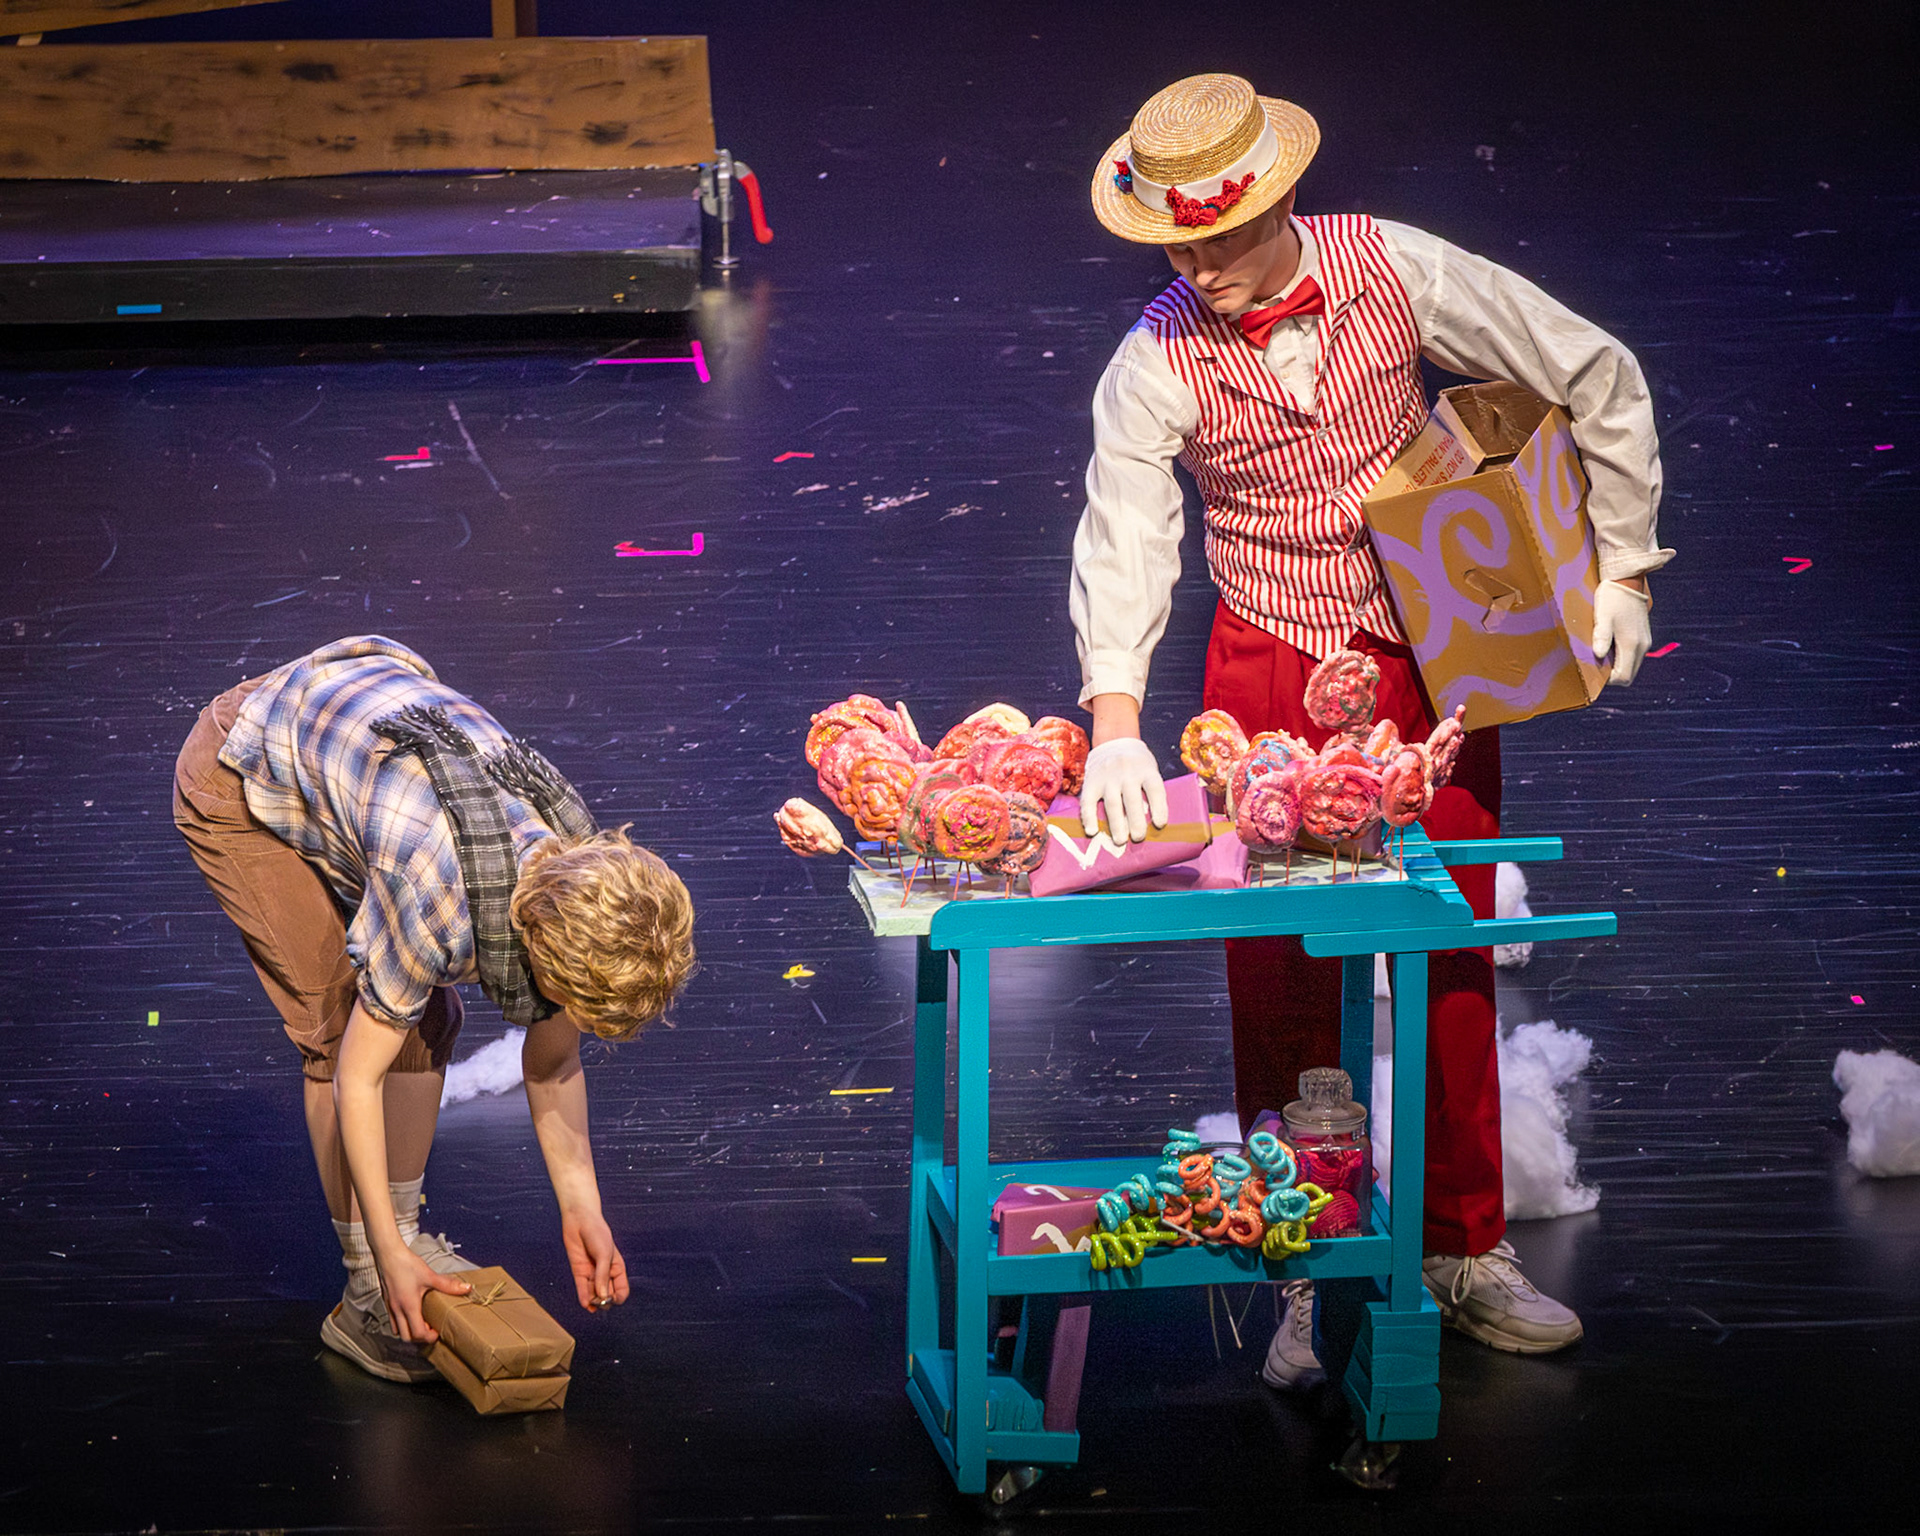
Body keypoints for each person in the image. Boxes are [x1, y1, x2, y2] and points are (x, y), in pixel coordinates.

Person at [1070, 75, 1670, 1385]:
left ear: (1281, 200)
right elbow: (1127, 537)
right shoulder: (1155, 358)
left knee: (1449, 933)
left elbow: (1588, 365)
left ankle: (1462, 1248)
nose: (1202, 267)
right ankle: (1306, 1258)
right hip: (1267, 665)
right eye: (1179, 242)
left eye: (1222, 236)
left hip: (1423, 652)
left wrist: (1620, 566)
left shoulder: (1391, 265)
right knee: (1278, 964)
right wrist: (1117, 717)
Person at [173, 636, 696, 1383]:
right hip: (239, 766)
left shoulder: (584, 878)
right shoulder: (440, 898)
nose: (564, 1016)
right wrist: (383, 1259)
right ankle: (362, 1295)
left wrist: (582, 1208)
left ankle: (403, 1235)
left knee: (428, 1020)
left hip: (353, 728)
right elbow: (357, 1079)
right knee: (336, 1025)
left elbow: (551, 1063)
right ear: (535, 947)